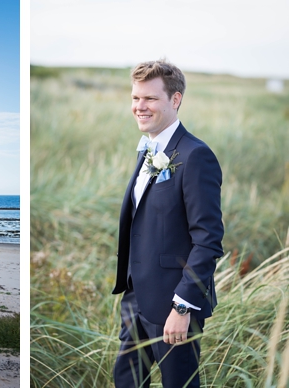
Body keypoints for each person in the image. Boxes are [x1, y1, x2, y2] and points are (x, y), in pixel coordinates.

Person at [112, 59, 223, 387]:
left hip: (175, 303)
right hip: (136, 297)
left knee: (180, 384)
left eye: (150, 99)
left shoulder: (194, 155)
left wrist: (183, 306)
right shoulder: (147, 149)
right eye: (135, 98)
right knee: (127, 380)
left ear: (175, 100)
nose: (139, 107)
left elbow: (208, 239)